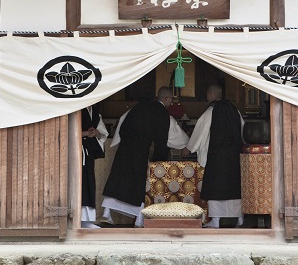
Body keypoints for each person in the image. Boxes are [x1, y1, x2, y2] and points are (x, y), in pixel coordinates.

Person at [101, 86, 189, 227]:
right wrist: (162, 157)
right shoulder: (162, 113)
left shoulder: (138, 107)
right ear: (165, 99)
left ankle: (106, 213)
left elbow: (123, 124)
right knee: (138, 185)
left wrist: (122, 141)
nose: (170, 103)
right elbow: (167, 137)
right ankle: (139, 220)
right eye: (170, 100)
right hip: (140, 151)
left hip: (125, 148)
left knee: (117, 179)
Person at [182, 84, 244, 228]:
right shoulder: (235, 110)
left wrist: (189, 148)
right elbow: (242, 128)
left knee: (216, 187)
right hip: (234, 155)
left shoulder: (211, 110)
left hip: (217, 155)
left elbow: (200, 131)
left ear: (210, 95)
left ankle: (215, 220)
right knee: (234, 186)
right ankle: (239, 219)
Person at [80, 104, 109, 229]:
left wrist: (96, 133)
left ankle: (88, 220)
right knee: (80, 184)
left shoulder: (95, 113)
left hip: (89, 153)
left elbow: (103, 134)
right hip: (77, 152)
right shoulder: (77, 110)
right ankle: (78, 219)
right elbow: (67, 130)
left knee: (89, 182)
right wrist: (85, 133)